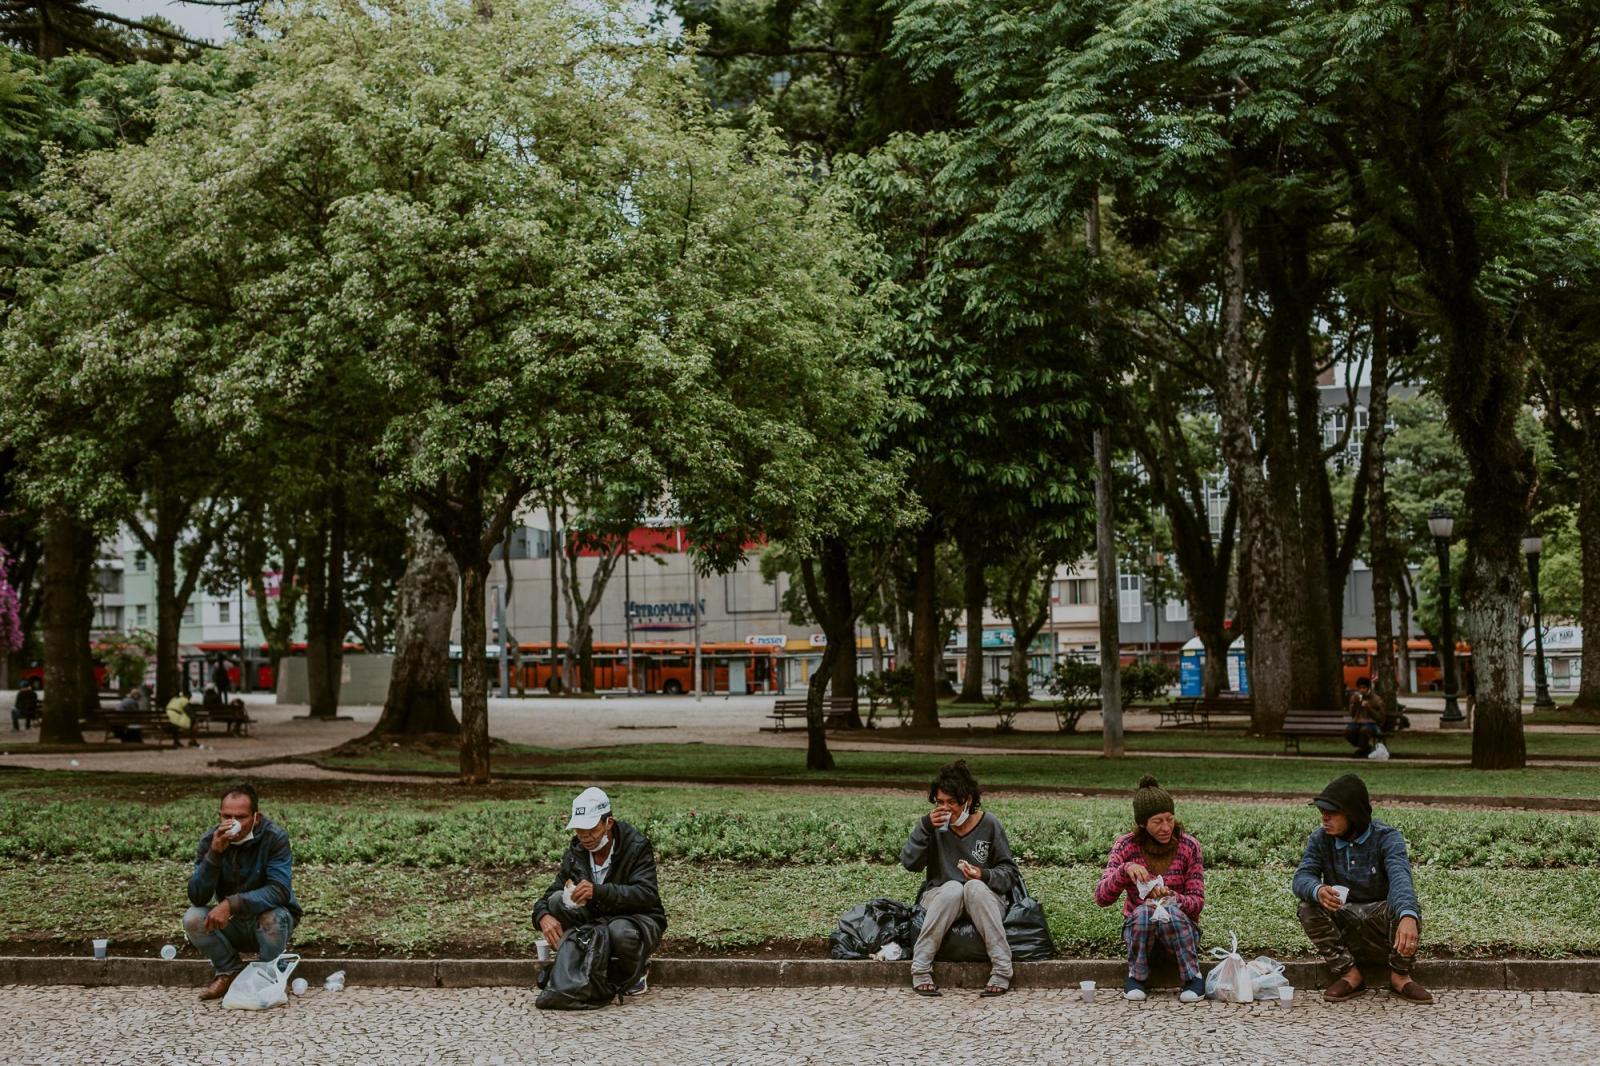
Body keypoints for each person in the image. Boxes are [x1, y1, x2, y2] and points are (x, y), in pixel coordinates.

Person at [1293, 774, 1433, 1003]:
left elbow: (1401, 880)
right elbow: (1302, 877)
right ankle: (1350, 974)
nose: (1324, 818)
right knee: (1307, 906)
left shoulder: (1386, 837)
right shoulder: (1320, 839)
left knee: (1407, 907)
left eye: (1332, 812)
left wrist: (1408, 916)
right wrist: (1317, 890)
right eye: (1322, 811)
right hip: (1343, 918)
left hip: (1381, 923)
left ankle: (1400, 976)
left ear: (1353, 814)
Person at [899, 759, 1019, 998]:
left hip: (983, 897)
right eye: (940, 802)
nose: (945, 809)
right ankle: (920, 969)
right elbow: (910, 863)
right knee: (954, 888)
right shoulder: (931, 827)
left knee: (973, 887)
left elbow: (1009, 873)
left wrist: (983, 874)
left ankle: (1002, 970)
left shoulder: (990, 824)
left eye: (952, 802)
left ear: (968, 801)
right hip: (941, 896)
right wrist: (924, 827)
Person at [534, 787, 665, 1002]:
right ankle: (581, 964)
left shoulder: (636, 846)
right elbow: (550, 893)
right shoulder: (576, 852)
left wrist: (599, 892)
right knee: (556, 901)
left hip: (635, 919)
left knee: (620, 931)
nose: (585, 837)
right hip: (596, 920)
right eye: (579, 830)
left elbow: (647, 894)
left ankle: (635, 971)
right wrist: (542, 915)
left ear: (608, 823)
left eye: (591, 830)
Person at [183, 781, 302, 1001]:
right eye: (227, 816)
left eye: (241, 817)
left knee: (273, 917)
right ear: (219, 816)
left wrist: (231, 904)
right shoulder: (211, 840)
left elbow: (279, 890)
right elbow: (197, 896)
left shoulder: (274, 838)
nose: (233, 823)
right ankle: (229, 971)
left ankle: (270, 975)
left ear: (256, 818)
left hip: (270, 921)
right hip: (232, 924)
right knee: (193, 918)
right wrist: (214, 854)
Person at [1094, 775, 1207, 1003]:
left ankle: (1193, 978)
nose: (1166, 827)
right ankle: (1136, 977)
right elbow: (1102, 897)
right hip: (1141, 933)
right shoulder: (1126, 846)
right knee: (1146, 911)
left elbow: (1197, 902)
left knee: (1168, 911)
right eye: (1157, 822)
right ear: (1143, 824)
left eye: (1169, 819)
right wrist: (1124, 870)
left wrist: (1172, 897)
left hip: (1180, 934)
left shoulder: (1189, 847)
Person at [1345, 677, 1384, 758]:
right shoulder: (1355, 698)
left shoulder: (1376, 699)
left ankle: (1362, 750)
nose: (1361, 690)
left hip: (1372, 724)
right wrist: (1354, 704)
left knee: (1364, 730)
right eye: (1359, 688)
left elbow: (1380, 718)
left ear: (1368, 688)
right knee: (1348, 731)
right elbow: (1351, 714)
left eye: (1364, 687)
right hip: (1357, 722)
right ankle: (1366, 748)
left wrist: (1369, 708)